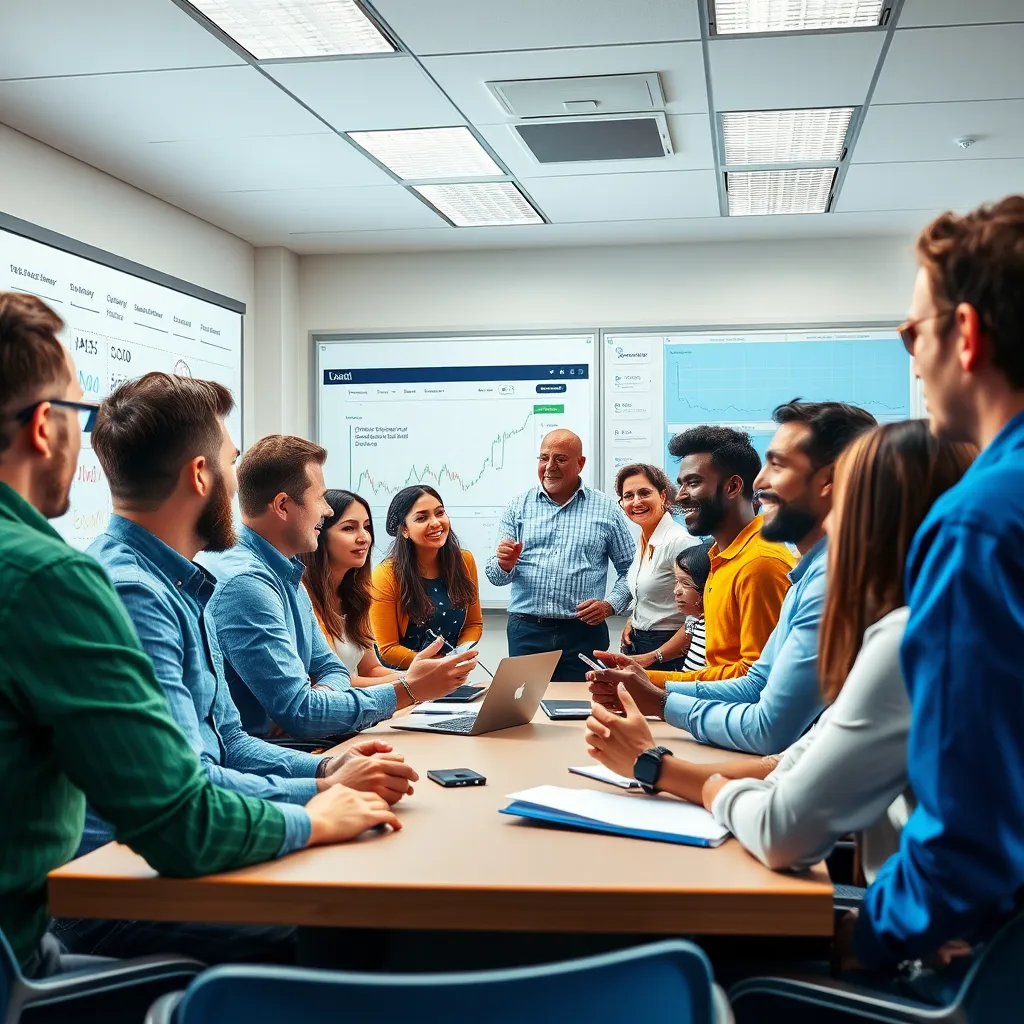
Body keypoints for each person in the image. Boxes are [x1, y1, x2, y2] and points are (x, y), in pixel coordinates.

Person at [0, 293, 399, 978]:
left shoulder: (181, 584)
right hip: (49, 933)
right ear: (43, 426)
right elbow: (182, 822)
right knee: (352, 939)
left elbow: (224, 743)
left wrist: (325, 773)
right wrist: (318, 813)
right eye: (76, 409)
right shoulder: (65, 582)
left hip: (59, 906)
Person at [586, 421, 974, 892]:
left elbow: (784, 826)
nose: (760, 484)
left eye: (846, 486)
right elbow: (791, 752)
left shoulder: (901, 633)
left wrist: (658, 766)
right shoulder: (866, 603)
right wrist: (659, 729)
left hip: (919, 939)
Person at [837, 196, 1024, 1000]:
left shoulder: (980, 524)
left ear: (968, 334)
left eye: (914, 333)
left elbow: (966, 836)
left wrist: (864, 935)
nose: (912, 356)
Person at [589, 401, 876, 755]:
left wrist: (660, 701)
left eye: (779, 465)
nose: (762, 482)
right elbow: (755, 683)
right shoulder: (727, 559)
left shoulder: (770, 566)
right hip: (734, 733)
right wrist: (647, 683)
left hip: (754, 748)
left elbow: (765, 715)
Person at [201, 437, 478, 741]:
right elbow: (303, 713)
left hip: (301, 740)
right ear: (283, 506)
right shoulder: (246, 582)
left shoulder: (285, 569)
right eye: (320, 499)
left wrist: (318, 695)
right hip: (275, 749)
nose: (327, 511)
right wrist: (409, 689)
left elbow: (332, 669)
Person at [484, 429, 633, 681]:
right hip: (526, 630)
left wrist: (610, 605)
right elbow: (496, 577)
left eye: (560, 459)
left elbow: (631, 568)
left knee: (582, 708)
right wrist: (504, 564)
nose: (550, 467)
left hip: (583, 632)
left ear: (580, 463)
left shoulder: (606, 509)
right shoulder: (518, 507)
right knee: (524, 711)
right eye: (544, 458)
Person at [661, 425, 795, 680]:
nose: (680, 496)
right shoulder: (720, 556)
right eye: (681, 485)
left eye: (693, 482)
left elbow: (756, 677)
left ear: (733, 487)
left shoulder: (760, 563)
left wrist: (652, 682)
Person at [302, 488, 411, 684]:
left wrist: (419, 676)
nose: (364, 538)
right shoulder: (303, 597)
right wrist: (413, 682)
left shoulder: (356, 595)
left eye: (366, 527)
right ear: (319, 534)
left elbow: (370, 669)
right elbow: (336, 682)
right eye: (349, 528)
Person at [370, 485, 483, 670]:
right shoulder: (385, 575)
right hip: (403, 679)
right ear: (404, 530)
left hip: (449, 674)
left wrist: (459, 654)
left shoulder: (464, 561)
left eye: (440, 513)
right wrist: (436, 665)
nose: (436, 523)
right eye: (422, 518)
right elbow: (388, 649)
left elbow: (473, 623)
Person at [614, 463, 699, 672]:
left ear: (662, 496)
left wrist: (654, 656)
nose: (636, 502)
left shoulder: (679, 541)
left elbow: (699, 616)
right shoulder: (642, 539)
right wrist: (633, 621)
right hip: (639, 644)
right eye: (628, 496)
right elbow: (649, 592)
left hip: (668, 650)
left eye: (644, 493)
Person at [672, 541, 712, 673]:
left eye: (686, 583)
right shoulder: (700, 622)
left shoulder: (711, 628)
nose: (676, 591)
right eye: (676, 581)